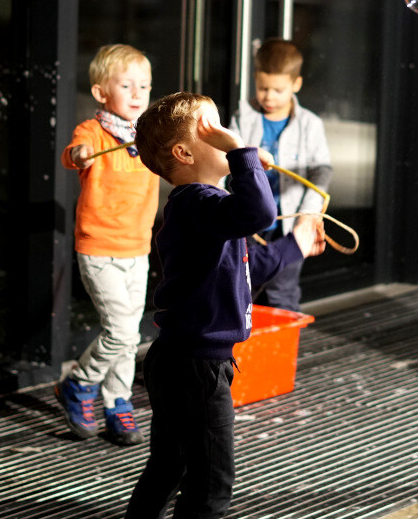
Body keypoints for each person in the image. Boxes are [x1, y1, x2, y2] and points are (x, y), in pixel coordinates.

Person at [125, 92, 326, 518]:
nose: (226, 134)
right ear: (183, 153)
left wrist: (296, 244)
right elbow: (260, 213)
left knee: (170, 465)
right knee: (211, 486)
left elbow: (249, 265)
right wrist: (241, 153)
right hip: (197, 367)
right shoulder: (198, 203)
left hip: (180, 359)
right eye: (213, 129)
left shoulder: (206, 209)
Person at [54, 44, 159, 446]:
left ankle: (117, 402)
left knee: (130, 337)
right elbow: (73, 154)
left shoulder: (149, 136)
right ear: (101, 93)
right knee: (119, 330)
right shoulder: (93, 133)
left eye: (144, 86)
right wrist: (80, 155)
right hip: (99, 249)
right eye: (126, 85)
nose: (137, 94)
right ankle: (79, 383)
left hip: (138, 249)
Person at [229, 38, 332, 312]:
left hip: (289, 228)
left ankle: (282, 339)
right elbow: (226, 163)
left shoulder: (310, 124)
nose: (269, 97)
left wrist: (308, 215)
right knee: (240, 290)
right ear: (255, 79)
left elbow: (321, 172)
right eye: (263, 88)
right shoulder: (243, 117)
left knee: (282, 294)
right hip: (250, 227)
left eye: (278, 90)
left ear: (296, 84)